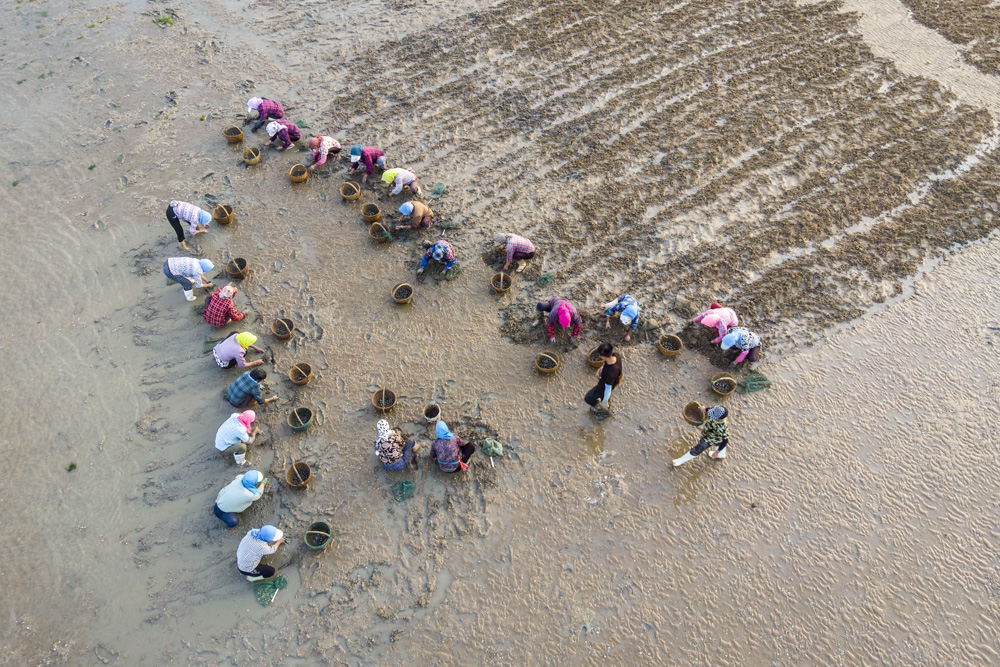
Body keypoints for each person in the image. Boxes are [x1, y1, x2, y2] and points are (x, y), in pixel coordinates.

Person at [584, 342, 623, 411]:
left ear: (603, 357)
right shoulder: (617, 356)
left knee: (588, 398)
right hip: (614, 380)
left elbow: (608, 388)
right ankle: (606, 400)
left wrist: (604, 403)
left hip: (603, 386)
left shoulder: (609, 372)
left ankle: (598, 408)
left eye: (600, 355)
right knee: (604, 395)